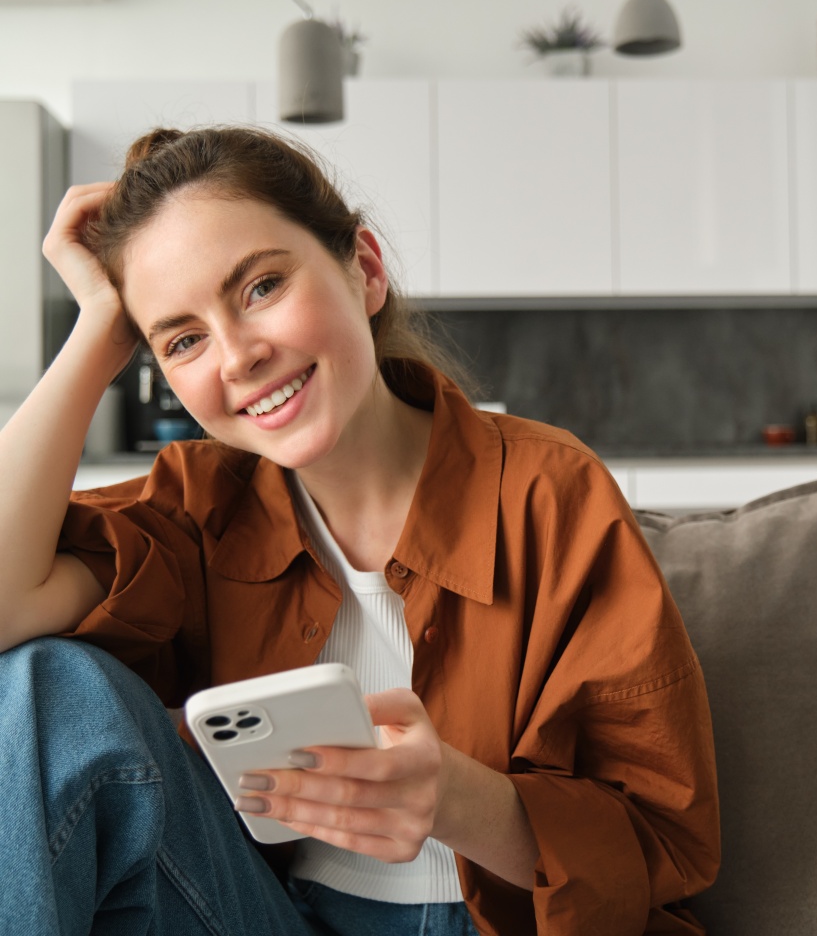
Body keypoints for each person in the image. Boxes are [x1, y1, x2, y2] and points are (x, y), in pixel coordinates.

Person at [0, 125, 720, 936]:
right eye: (184, 338)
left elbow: (663, 843)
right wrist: (96, 330)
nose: (237, 357)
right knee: (42, 684)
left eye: (261, 286)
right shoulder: (196, 504)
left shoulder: (550, 493)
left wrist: (455, 799)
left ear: (365, 269)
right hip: (272, 913)